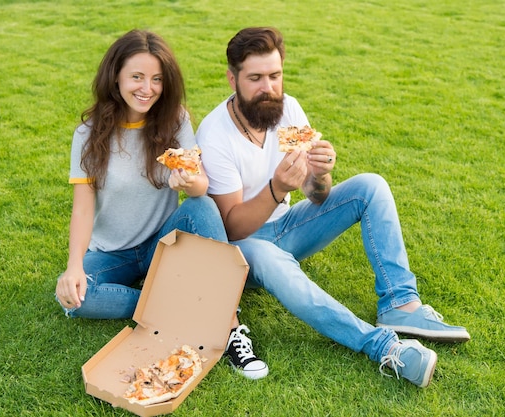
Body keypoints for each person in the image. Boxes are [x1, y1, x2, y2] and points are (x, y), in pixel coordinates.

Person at [195, 27, 470, 388]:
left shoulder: (287, 108)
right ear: (232, 78)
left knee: (370, 185)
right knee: (271, 256)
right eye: (256, 78)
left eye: (275, 76)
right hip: (244, 249)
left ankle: (401, 306)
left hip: (287, 226)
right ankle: (382, 346)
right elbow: (230, 228)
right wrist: (278, 188)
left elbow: (318, 196)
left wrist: (320, 175)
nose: (269, 88)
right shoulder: (214, 133)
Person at [54, 29, 268, 380]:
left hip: (163, 245)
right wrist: (74, 266)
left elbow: (200, 186)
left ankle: (228, 327)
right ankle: (174, 305)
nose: (146, 88)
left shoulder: (176, 120)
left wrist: (188, 181)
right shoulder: (88, 134)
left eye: (156, 79)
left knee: (203, 208)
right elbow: (83, 208)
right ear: (116, 76)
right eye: (136, 77)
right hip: (113, 252)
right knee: (77, 300)